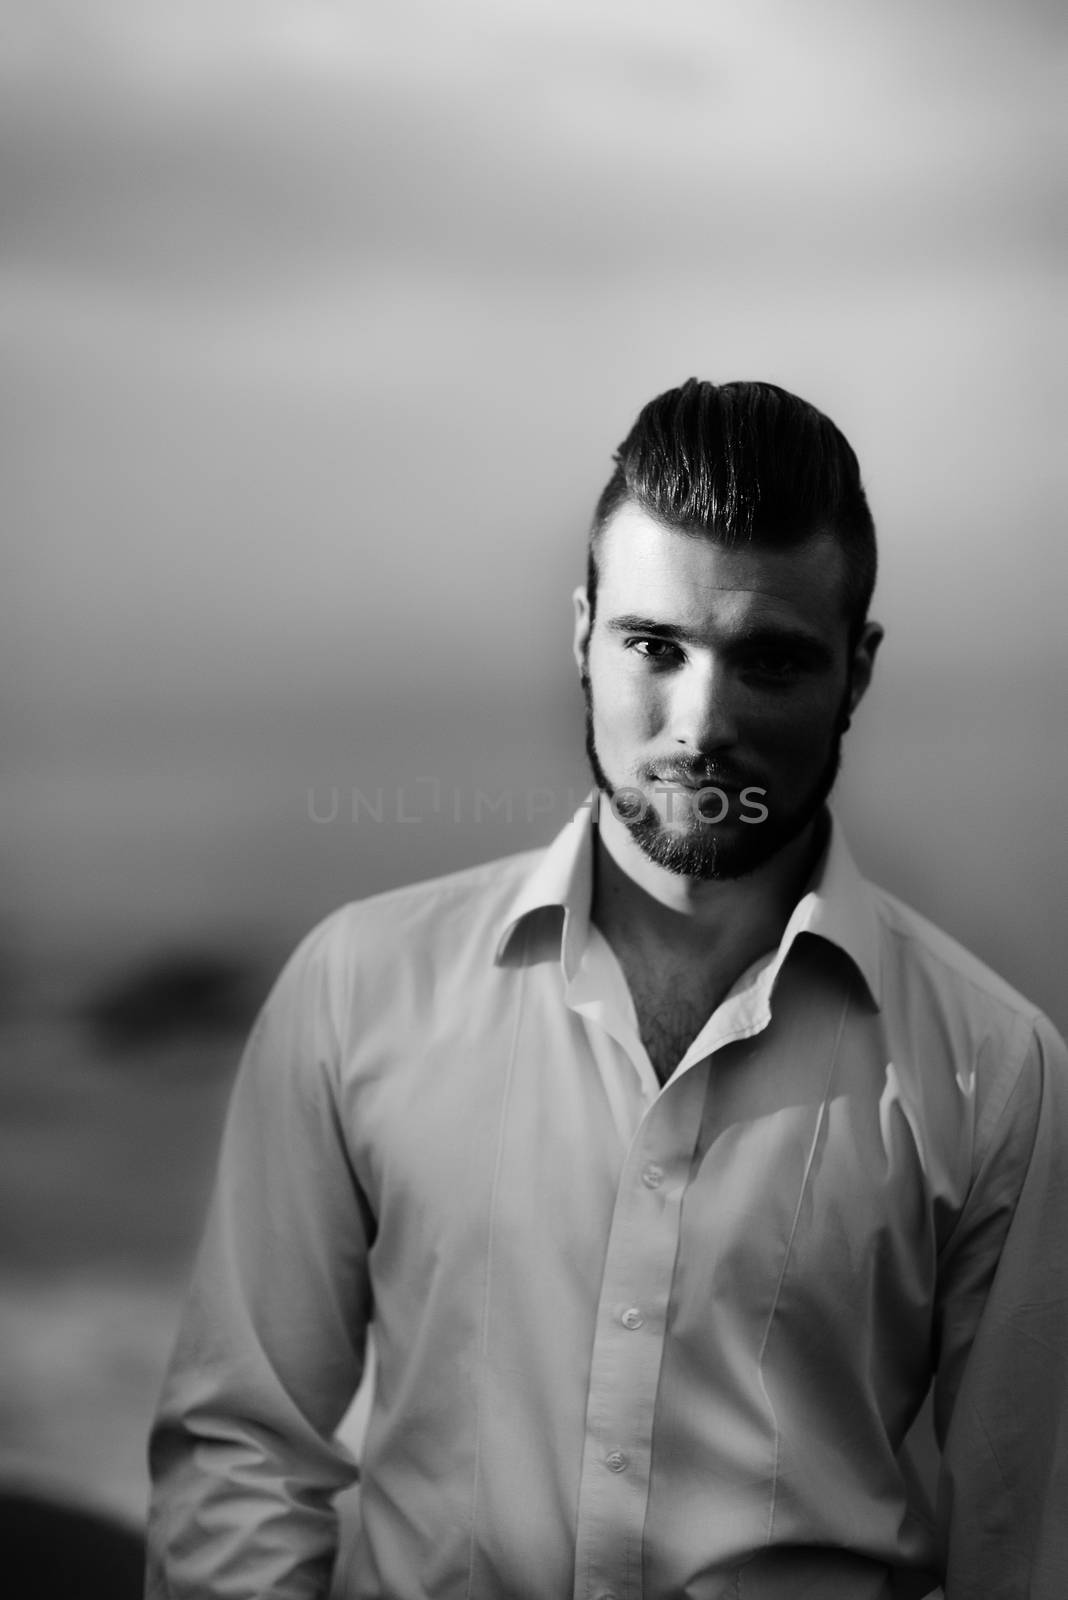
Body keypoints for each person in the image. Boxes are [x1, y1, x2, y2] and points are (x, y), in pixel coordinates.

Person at [145, 380, 1068, 1600]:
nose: (704, 720)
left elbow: (1024, 1545)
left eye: (772, 661)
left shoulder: (998, 1071)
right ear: (580, 630)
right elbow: (243, 1455)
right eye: (653, 645)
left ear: (857, 672)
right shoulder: (358, 988)